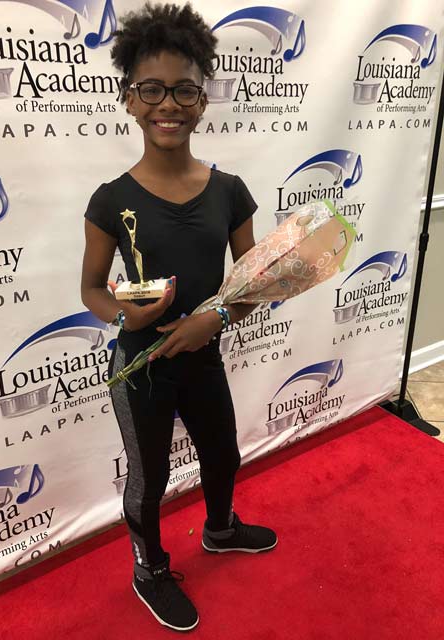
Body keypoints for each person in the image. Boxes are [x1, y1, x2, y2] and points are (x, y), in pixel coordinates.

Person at [81, 2, 277, 632]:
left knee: (223, 454)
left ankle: (219, 530)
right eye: (152, 89)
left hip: (203, 353)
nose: (169, 104)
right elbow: (91, 290)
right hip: (141, 368)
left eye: (184, 89)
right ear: (129, 99)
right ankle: (150, 569)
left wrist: (212, 320)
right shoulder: (110, 200)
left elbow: (254, 283)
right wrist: (128, 319)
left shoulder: (231, 191)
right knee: (151, 476)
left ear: (202, 99)